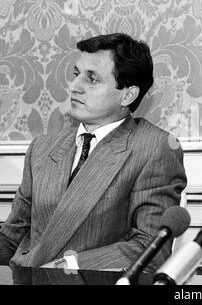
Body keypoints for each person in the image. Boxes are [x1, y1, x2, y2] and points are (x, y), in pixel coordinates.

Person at [0, 33, 187, 272]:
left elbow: (149, 246)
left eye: (92, 79)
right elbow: (11, 238)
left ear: (128, 94)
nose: (75, 87)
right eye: (76, 74)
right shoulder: (42, 148)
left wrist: (67, 266)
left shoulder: (154, 148)